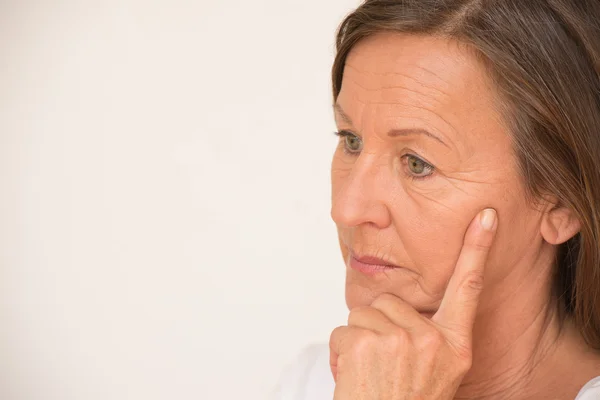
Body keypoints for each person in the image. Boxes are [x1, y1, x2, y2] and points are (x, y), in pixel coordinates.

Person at [273, 0, 600, 399]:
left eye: (417, 164)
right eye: (352, 141)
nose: (347, 209)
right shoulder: (317, 383)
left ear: (561, 203)